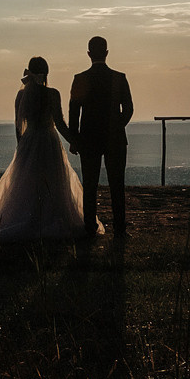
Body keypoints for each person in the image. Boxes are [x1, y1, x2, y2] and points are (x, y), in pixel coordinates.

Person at [0, 56, 85, 243]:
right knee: (52, 180)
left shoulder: (22, 95)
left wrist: (21, 146)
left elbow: (17, 124)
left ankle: (28, 216)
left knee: (26, 181)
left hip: (30, 140)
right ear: (46, 72)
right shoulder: (53, 94)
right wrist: (74, 141)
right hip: (48, 141)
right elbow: (60, 123)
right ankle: (51, 217)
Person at [67, 35, 134, 241]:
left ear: (88, 54)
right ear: (106, 53)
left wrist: (75, 138)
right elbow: (129, 109)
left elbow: (73, 113)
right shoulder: (119, 78)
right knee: (117, 185)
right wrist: (116, 127)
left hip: (88, 138)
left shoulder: (80, 79)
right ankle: (120, 230)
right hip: (115, 139)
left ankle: (89, 228)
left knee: (90, 185)